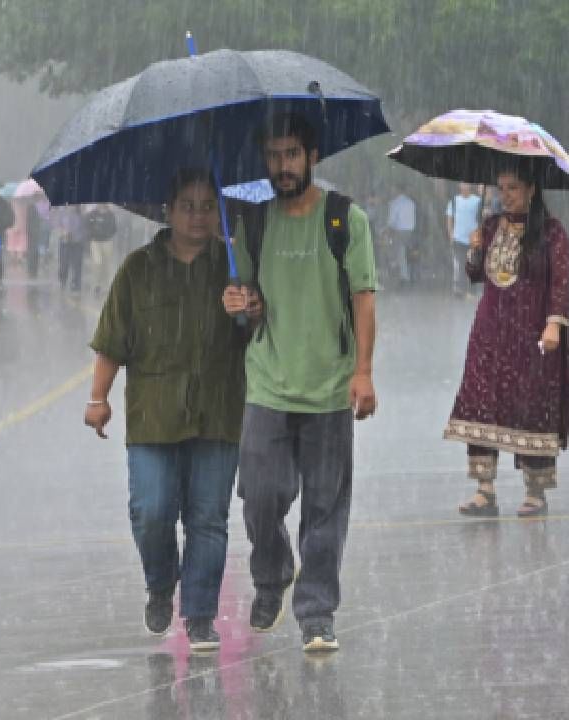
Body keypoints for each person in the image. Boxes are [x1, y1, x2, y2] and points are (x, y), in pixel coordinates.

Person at [222, 112, 378, 653]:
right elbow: (243, 300)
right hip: (267, 384)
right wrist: (241, 304)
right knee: (260, 496)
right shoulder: (254, 223)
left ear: (312, 157)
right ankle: (272, 575)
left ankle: (317, 612)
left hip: (329, 387)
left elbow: (364, 295)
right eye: (273, 155)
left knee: (325, 508)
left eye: (291, 154)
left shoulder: (344, 219)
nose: (282, 165)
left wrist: (362, 371)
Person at [85, 169, 246, 652]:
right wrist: (98, 399)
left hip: (218, 412)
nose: (198, 216)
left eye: (206, 206)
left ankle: (199, 614)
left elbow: (259, 334)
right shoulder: (138, 269)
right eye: (188, 205)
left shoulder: (236, 266)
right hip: (154, 416)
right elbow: (111, 342)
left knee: (208, 519)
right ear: (168, 211)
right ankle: (160, 583)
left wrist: (250, 308)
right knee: (151, 512)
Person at [447, 161, 569, 519]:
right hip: (490, 330)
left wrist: (554, 324)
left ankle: (535, 492)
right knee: (482, 402)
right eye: (501, 189)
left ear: (532, 189)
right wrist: (474, 248)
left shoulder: (551, 233)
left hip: (531, 332)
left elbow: (560, 283)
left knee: (531, 406)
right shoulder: (489, 227)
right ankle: (484, 491)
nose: (506, 196)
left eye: (513, 188)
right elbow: (475, 275)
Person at [446, 183, 484, 297]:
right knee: (459, 264)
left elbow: (482, 218)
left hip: (473, 239)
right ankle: (459, 289)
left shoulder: (477, 201)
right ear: (459, 186)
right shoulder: (453, 201)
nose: (465, 186)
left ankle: (472, 289)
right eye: (463, 183)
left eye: (467, 184)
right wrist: (451, 234)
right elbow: (449, 219)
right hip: (458, 238)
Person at [83, 203, 119, 295]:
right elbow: (87, 226)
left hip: (107, 242)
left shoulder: (110, 214)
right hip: (95, 242)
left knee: (106, 265)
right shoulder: (92, 214)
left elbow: (114, 228)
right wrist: (92, 234)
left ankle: (105, 285)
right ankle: (96, 285)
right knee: (97, 263)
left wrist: (108, 234)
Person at [387, 186, 418, 285]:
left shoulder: (395, 203)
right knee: (410, 253)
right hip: (411, 231)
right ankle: (412, 273)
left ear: (397, 190)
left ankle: (404, 276)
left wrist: (388, 230)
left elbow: (392, 221)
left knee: (400, 253)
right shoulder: (411, 203)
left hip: (400, 232)